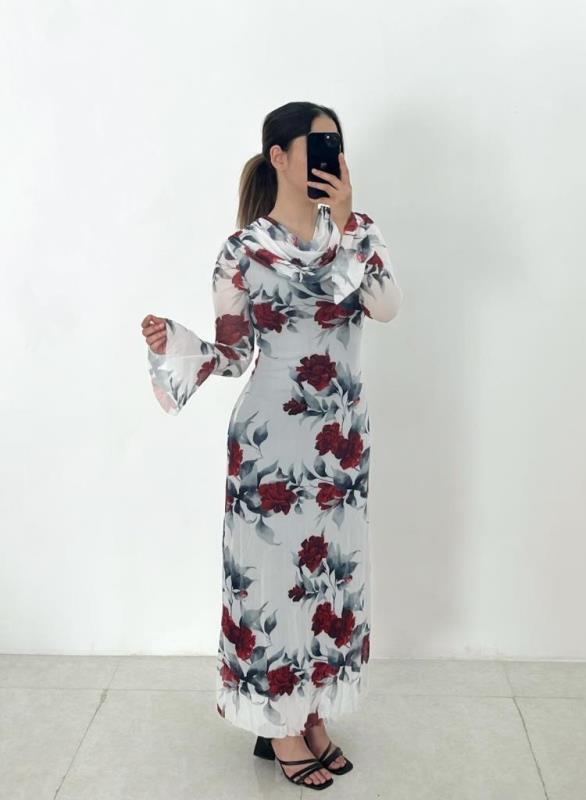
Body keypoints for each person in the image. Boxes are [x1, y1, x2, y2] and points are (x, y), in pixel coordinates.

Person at [141, 101, 403, 790]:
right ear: (279, 156)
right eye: (318, 143)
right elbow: (234, 356)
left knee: (329, 580)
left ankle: (310, 711)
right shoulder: (242, 251)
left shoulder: (353, 234)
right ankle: (278, 724)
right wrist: (176, 343)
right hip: (271, 443)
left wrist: (349, 219)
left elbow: (385, 306)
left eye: (336, 143)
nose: (331, 154)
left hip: (341, 444)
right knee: (272, 583)